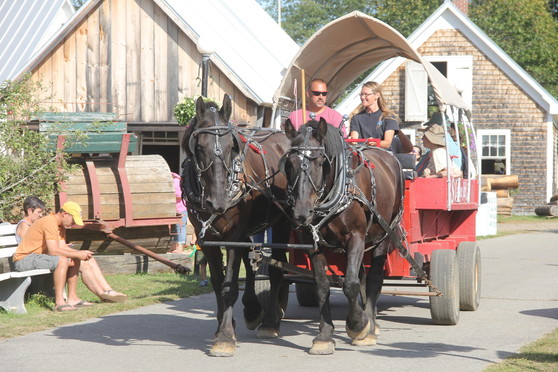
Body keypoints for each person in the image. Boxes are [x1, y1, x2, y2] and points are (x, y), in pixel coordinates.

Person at [13, 201, 127, 311]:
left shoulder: (60, 226)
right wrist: (77, 253)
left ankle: (78, 297)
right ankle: (59, 302)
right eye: (73, 220)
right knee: (62, 260)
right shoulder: (49, 222)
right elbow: (54, 251)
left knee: (77, 259)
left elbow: (62, 247)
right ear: (65, 214)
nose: (73, 224)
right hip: (24, 259)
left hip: (39, 257)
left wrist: (80, 254)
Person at [348, 81, 400, 149]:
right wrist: (352, 140)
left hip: (383, 154)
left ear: (377, 95)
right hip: (362, 154)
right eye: (361, 94)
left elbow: (387, 143)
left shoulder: (388, 117)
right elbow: (354, 137)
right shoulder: (356, 118)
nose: (363, 97)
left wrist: (375, 143)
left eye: (366, 94)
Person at [168, 172, 188, 254]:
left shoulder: (176, 181)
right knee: (173, 228)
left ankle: (180, 248)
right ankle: (173, 247)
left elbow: (179, 195)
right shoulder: (172, 180)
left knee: (180, 227)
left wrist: (169, 195)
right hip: (173, 209)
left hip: (180, 208)